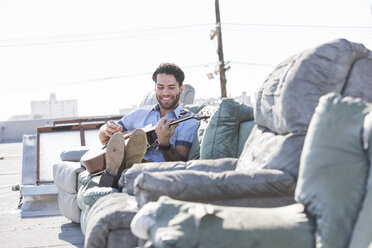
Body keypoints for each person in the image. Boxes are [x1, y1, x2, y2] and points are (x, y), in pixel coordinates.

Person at [95, 63, 199, 187]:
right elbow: (104, 138)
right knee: (118, 140)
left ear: (181, 89)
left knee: (145, 164)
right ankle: (124, 163)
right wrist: (106, 129)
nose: (165, 93)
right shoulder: (140, 113)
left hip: (157, 173)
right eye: (160, 87)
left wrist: (165, 144)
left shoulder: (188, 121)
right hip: (130, 174)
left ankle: (125, 166)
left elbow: (182, 164)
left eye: (171, 87)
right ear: (155, 87)